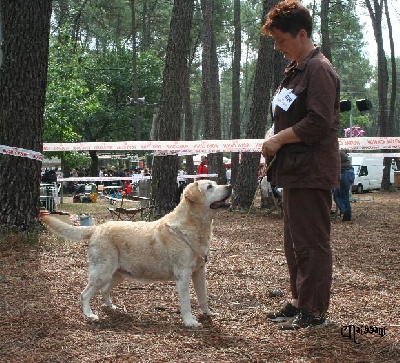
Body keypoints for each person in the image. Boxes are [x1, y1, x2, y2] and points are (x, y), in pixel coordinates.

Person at [260, 0, 340, 330]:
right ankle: (300, 301)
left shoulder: (319, 70)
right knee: (294, 242)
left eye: (281, 40)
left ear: (302, 34)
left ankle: (315, 311)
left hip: (311, 171)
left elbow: (320, 121)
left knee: (311, 243)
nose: (278, 48)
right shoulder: (295, 70)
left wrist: (279, 140)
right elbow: (286, 113)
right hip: (294, 171)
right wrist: (274, 134)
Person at [333, 151, 355, 221]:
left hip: (344, 173)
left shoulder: (335, 153)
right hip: (349, 173)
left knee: (337, 195)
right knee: (344, 196)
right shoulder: (341, 153)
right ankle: (347, 217)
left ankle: (344, 210)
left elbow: (334, 165)